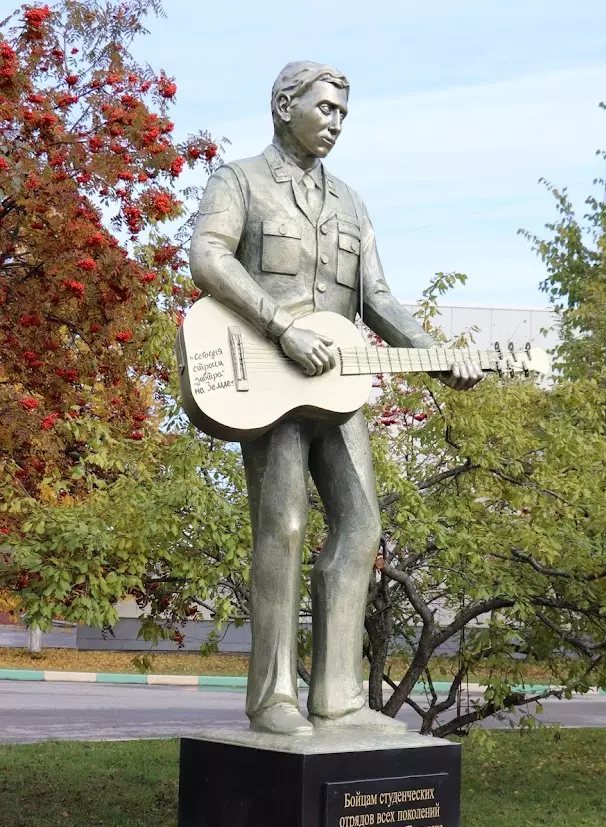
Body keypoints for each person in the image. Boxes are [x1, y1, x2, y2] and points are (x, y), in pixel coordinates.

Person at [189, 61, 482, 736]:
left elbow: (377, 297)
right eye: (325, 109)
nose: (336, 123)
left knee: (361, 526)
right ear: (283, 105)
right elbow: (208, 257)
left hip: (339, 388)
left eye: (344, 115)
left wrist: (438, 354)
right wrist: (281, 325)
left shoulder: (351, 202)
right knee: (284, 527)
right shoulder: (240, 181)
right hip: (269, 381)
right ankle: (273, 698)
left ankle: (339, 698)